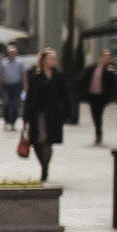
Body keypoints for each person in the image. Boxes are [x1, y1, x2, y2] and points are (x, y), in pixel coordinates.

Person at [19, 47, 71, 182]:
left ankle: (45, 169)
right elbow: (30, 97)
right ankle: (43, 165)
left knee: (48, 141)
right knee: (37, 142)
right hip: (37, 114)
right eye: (50, 58)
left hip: (53, 114)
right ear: (43, 60)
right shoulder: (35, 77)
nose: (53, 61)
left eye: (54, 58)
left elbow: (65, 95)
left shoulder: (58, 76)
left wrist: (66, 112)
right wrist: (26, 117)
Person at [84, 50, 117, 143]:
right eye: (104, 57)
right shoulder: (92, 68)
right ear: (100, 58)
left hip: (102, 96)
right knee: (94, 114)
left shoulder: (109, 70)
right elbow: (84, 78)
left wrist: (111, 72)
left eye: (108, 58)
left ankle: (98, 132)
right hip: (92, 95)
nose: (106, 59)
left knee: (99, 114)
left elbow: (113, 84)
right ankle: (98, 129)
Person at [0, 42, 27, 132]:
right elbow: (0, 75)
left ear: (16, 53)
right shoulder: (3, 62)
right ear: (8, 53)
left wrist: (25, 86)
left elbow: (24, 75)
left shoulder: (20, 63)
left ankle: (13, 122)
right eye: (10, 52)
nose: (12, 54)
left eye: (14, 52)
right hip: (6, 86)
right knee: (6, 103)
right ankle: (7, 121)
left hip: (17, 86)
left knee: (16, 105)